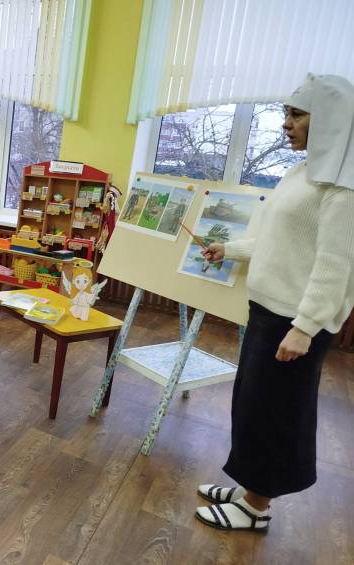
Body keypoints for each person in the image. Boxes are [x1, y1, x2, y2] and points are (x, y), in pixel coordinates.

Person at [195, 74, 354, 533]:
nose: (286, 124)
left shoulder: (343, 188)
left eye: (297, 115)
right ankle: (249, 486)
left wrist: (305, 327)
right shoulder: (300, 172)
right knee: (251, 404)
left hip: (294, 323)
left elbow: (336, 265)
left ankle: (257, 507)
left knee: (276, 413)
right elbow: (275, 239)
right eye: (286, 113)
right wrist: (229, 249)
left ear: (332, 120)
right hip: (267, 313)